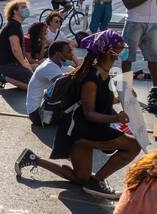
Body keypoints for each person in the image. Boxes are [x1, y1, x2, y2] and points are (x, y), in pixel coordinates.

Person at [14, 29, 141, 199]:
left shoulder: (104, 73)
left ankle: (33, 158)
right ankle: (97, 182)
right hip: (79, 131)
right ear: (109, 50)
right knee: (133, 145)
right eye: (120, 46)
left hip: (86, 129)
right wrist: (115, 118)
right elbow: (89, 113)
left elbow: (97, 101)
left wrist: (120, 100)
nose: (124, 49)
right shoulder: (92, 76)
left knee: (81, 178)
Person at [25, 39, 75, 126]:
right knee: (73, 90)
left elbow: (76, 72)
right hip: (38, 114)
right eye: (69, 51)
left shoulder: (58, 65)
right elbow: (64, 84)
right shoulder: (49, 66)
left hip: (43, 109)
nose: (72, 53)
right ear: (58, 54)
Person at [0, 0, 34, 90]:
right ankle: (2, 77)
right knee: (34, 87)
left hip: (14, 64)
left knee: (35, 72)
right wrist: (24, 64)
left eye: (26, 7)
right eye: (23, 7)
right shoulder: (13, 26)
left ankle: (3, 75)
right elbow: (15, 48)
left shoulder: (16, 25)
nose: (26, 9)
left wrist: (26, 62)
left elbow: (20, 49)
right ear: (14, 11)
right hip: (9, 66)